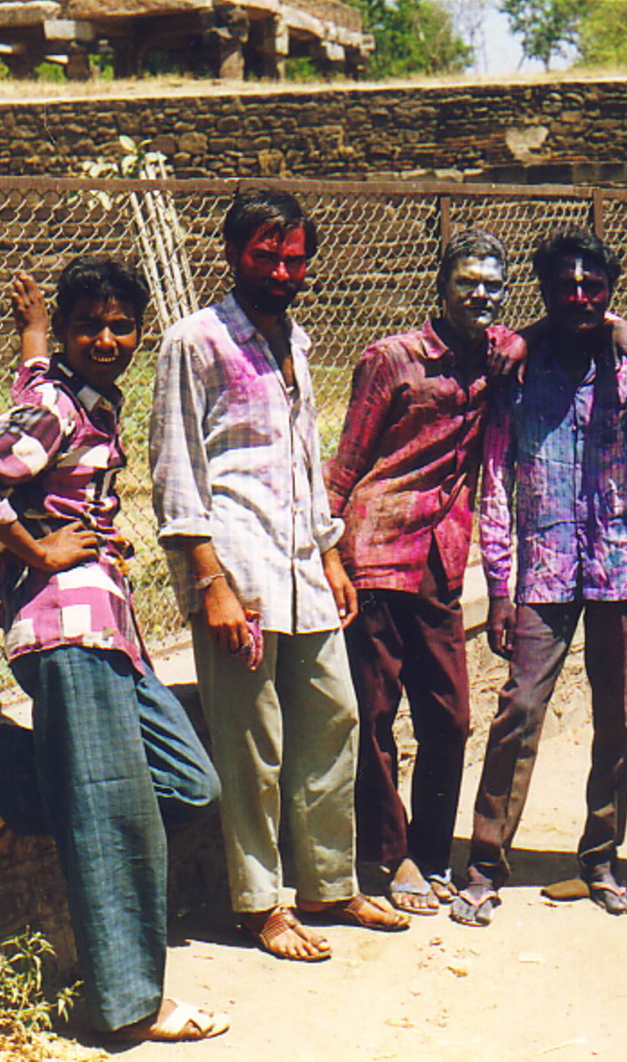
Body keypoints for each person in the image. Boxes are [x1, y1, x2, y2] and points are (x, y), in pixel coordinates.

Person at [0, 258, 227, 1042]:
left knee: (191, 786)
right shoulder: (62, 407)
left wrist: (34, 340)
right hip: (66, 627)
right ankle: (129, 1006)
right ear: (69, 331)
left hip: (110, 632)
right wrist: (36, 550)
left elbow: (36, 394)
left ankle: (15, 766)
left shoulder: (72, 396)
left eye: (120, 325)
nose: (106, 338)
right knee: (115, 818)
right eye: (87, 326)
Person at [150, 189, 408, 963]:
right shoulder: (193, 342)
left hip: (302, 566)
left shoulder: (295, 340)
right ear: (234, 255)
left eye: (295, 258)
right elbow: (175, 468)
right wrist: (210, 581)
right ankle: (260, 903)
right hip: (237, 572)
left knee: (334, 721)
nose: (282, 270)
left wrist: (329, 553)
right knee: (251, 744)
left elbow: (304, 457)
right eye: (267, 256)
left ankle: (329, 884)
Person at [451, 226, 627, 927]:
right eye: (564, 285)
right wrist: (500, 587)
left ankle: (600, 858)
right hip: (541, 569)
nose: (579, 296)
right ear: (544, 294)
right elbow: (495, 479)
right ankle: (486, 863)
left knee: (621, 718)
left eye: (592, 285)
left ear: (609, 291)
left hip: (621, 562)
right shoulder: (517, 367)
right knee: (518, 710)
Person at [326, 228, 523, 915]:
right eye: (467, 281)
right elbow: (347, 461)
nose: (480, 295)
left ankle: (433, 848)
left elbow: (570, 326)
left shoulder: (500, 356)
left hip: (441, 557)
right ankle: (392, 853)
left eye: (493, 285)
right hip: (375, 549)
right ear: (441, 285)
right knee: (375, 713)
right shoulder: (391, 360)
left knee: (449, 715)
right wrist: (324, 554)